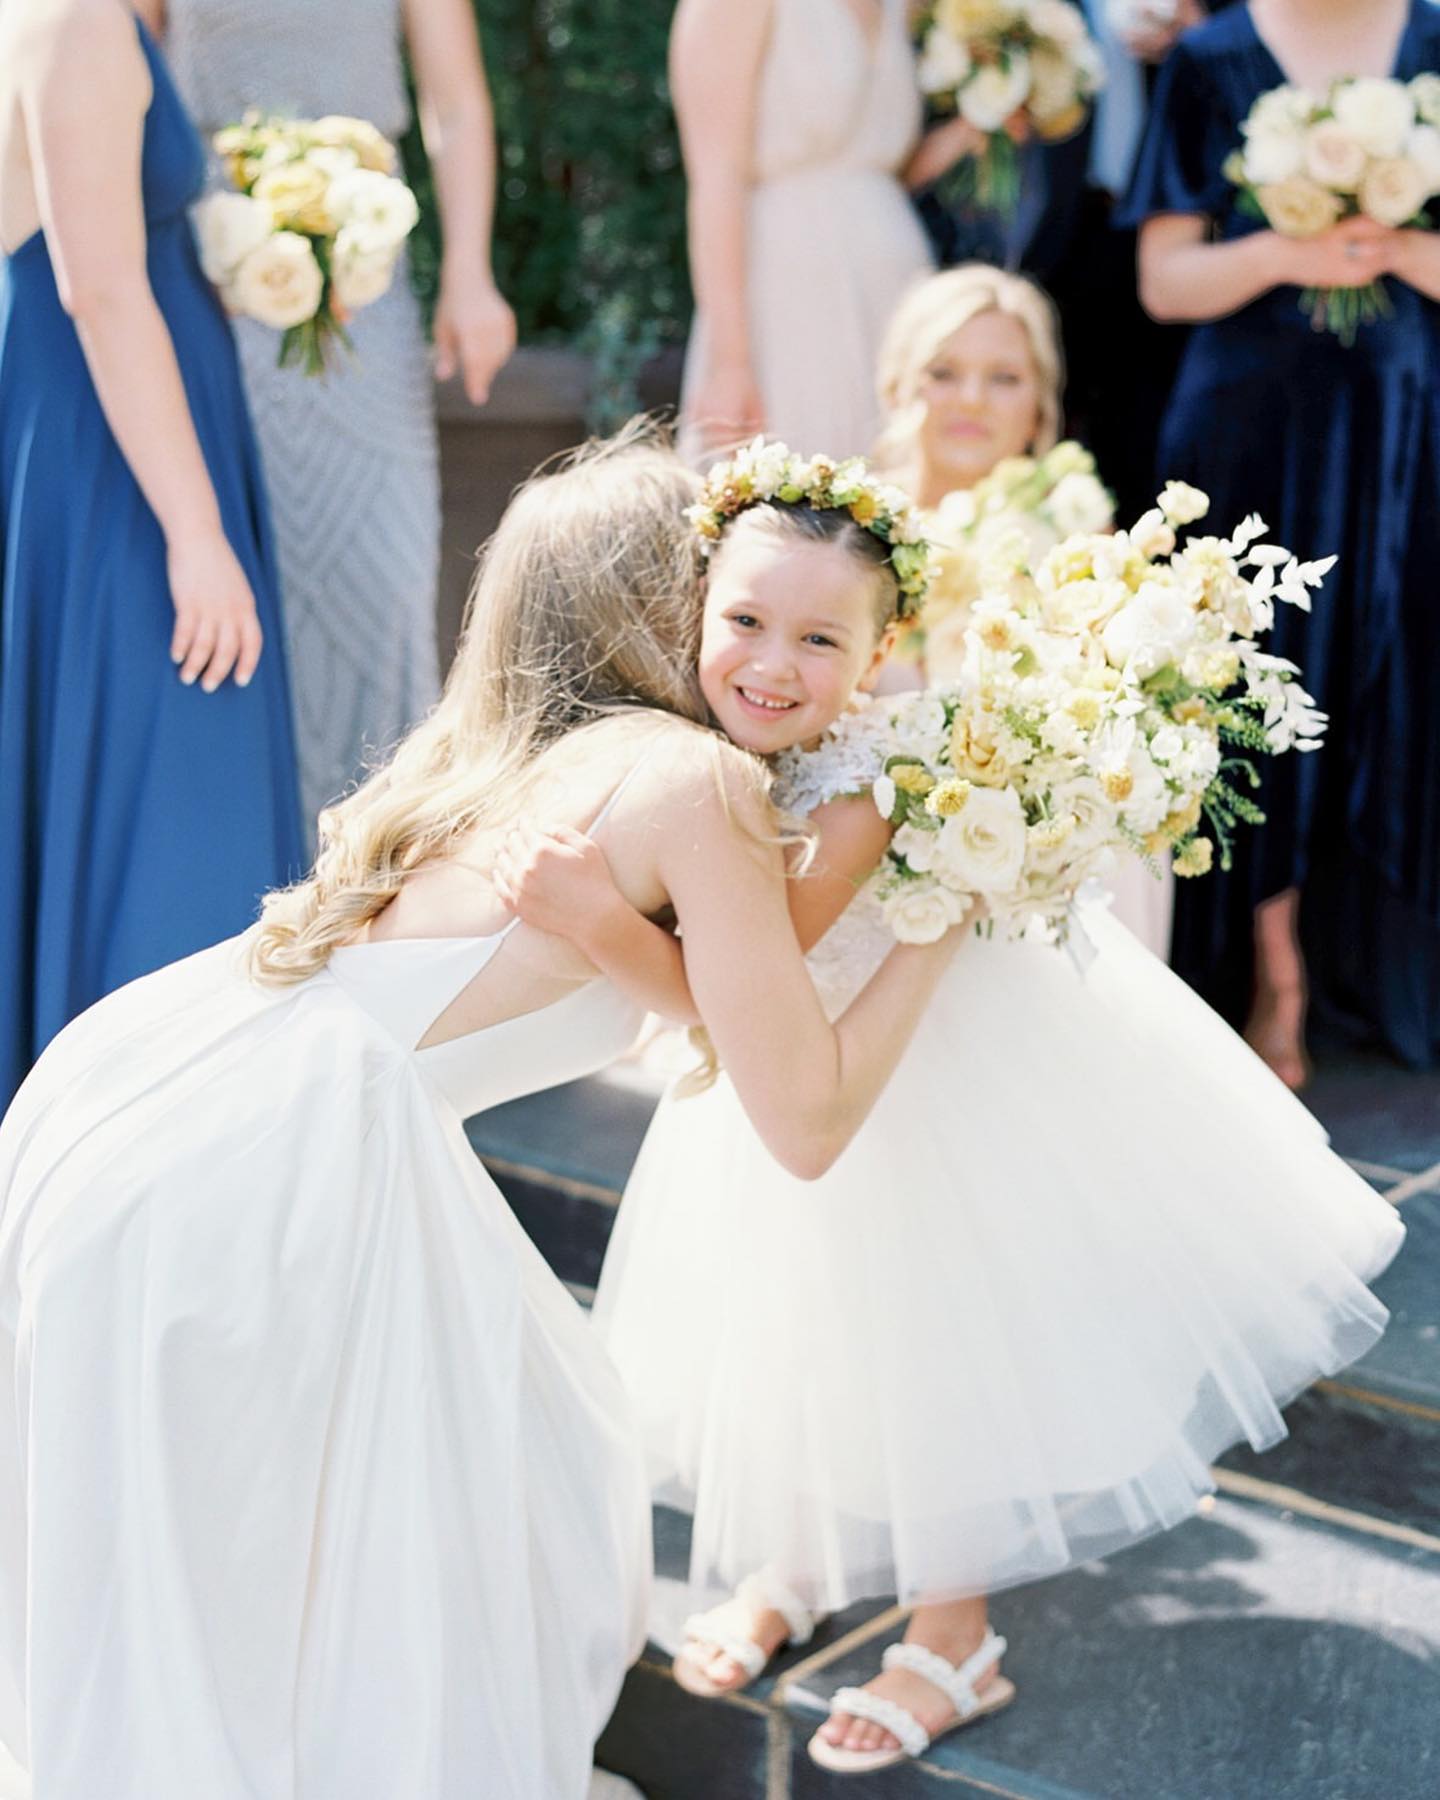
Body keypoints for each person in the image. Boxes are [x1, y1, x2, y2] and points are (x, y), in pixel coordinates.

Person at [0, 431, 972, 1800]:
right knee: (436, 1506)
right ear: (664, 601)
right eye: (726, 596)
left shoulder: (495, 756)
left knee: (280, 1523)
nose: (748, 637)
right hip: (266, 1163)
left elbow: (691, 994)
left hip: (142, 1088)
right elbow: (803, 1116)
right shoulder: (694, 783)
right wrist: (947, 916)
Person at [497, 444, 1403, 1778]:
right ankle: (800, 1559)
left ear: (879, 655)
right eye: (744, 621)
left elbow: (744, 990)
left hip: (907, 1085)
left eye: (820, 638)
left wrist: (592, 919)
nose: (772, 662)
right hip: (789, 1086)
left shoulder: (859, 785)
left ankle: (955, 1630)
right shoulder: (705, 757)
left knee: (923, 1338)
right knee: (792, 1316)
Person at [1120, 0, 1440, 1082]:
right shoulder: (1211, 57)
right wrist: (1288, 250)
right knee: (1255, 689)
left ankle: (1382, 967)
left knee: (1402, 679)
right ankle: (1271, 973)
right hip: (1250, 430)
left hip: (1408, 429)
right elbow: (1165, 282)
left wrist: (1393, 246)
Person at [0, 0, 304, 1117]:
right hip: (116, 473)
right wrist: (194, 530)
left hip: (131, 442)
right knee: (170, 772)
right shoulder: (71, 18)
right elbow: (97, 286)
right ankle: (156, 1129)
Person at [167, 0, 517, 840]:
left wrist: (470, 271)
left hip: (366, 286)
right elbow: (129, 73)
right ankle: (235, 867)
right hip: (202, 270)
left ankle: (380, 860)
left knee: (384, 580)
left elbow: (458, 102)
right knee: (232, 583)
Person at [873, 264, 1173, 954]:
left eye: (1004, 378)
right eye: (943, 372)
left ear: (1042, 404)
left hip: (1033, 862)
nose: (971, 400)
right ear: (897, 386)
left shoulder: (1086, 553)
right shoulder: (851, 529)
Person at [673, 0, 989, 462]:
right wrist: (731, 364)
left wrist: (969, 130)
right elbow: (717, 180)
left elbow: (879, 167)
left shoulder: (902, 6)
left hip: (898, 289)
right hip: (789, 289)